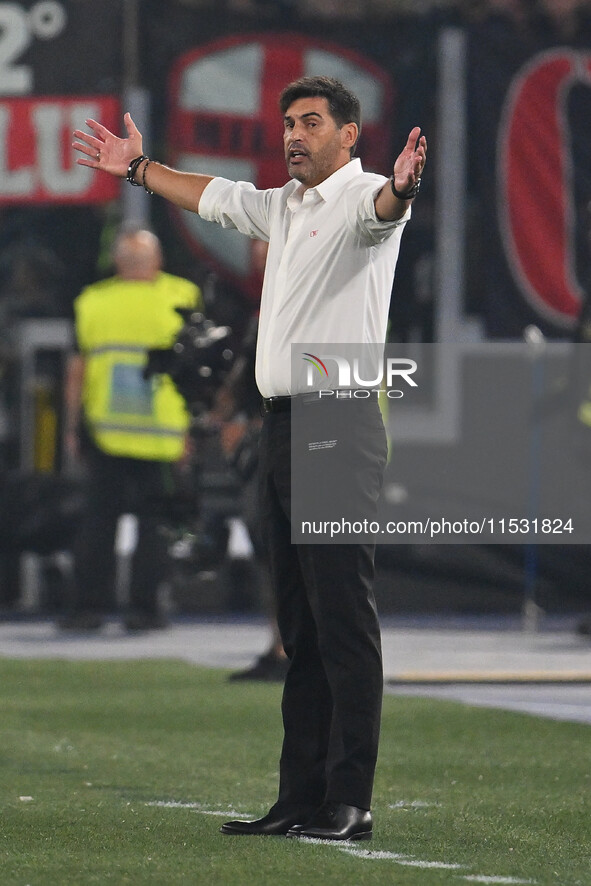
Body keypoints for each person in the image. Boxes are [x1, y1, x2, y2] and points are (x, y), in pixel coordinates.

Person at [73, 75, 426, 840]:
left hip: (335, 419)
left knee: (341, 618)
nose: (294, 134)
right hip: (283, 427)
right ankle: (299, 796)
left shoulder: (362, 196)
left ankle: (350, 799)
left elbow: (382, 214)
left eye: (310, 122)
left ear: (347, 136)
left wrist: (400, 189)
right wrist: (139, 170)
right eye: (288, 123)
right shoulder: (284, 204)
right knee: (297, 623)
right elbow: (213, 194)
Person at [59, 227, 202, 632]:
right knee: (155, 526)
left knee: (97, 524)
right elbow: (195, 371)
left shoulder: (93, 301)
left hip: (107, 433)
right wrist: (192, 427)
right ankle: (146, 611)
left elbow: (77, 369)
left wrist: (72, 428)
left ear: (118, 262)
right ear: (157, 261)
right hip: (163, 435)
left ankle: (88, 609)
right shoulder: (182, 297)